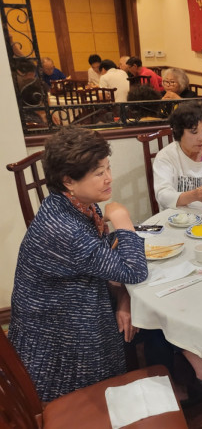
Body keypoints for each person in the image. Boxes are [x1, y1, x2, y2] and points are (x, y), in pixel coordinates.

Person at [7, 127, 147, 401]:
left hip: (73, 301)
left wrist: (123, 296)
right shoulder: (64, 228)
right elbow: (135, 271)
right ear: (68, 181)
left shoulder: (77, 203)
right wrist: (122, 218)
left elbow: (104, 255)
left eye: (108, 168)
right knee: (151, 308)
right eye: (99, 173)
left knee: (141, 305)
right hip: (59, 333)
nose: (109, 178)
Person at [153, 101, 202, 211]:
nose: (201, 138)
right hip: (176, 217)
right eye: (194, 132)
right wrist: (194, 196)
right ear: (179, 132)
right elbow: (163, 196)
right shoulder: (166, 156)